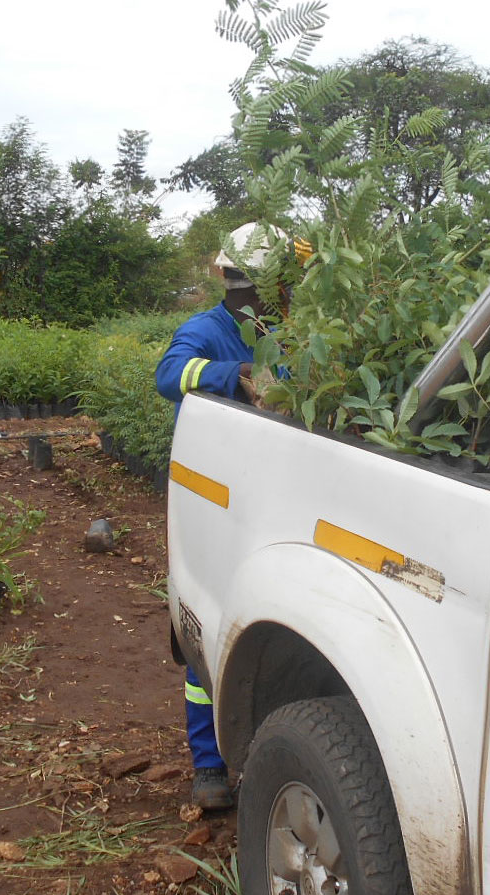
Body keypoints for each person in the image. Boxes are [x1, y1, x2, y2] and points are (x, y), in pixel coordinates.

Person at [154, 221, 305, 809]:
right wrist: (230, 376)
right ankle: (209, 767)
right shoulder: (207, 331)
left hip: (275, 504)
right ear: (253, 282)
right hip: (215, 506)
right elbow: (170, 376)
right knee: (204, 633)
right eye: (281, 281)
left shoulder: (290, 333)